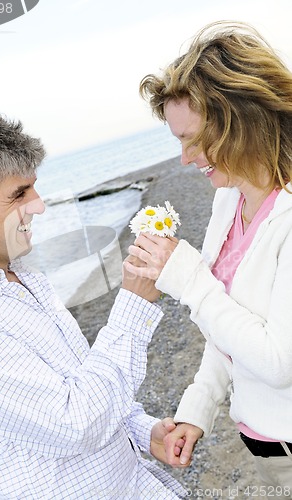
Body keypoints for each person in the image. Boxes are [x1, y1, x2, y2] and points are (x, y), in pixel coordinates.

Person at [0, 106, 187, 499]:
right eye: (19, 194)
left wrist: (139, 429)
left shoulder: (25, 278)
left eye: (34, 186)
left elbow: (78, 379)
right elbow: (74, 422)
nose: (40, 205)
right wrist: (133, 303)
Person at [125, 21, 292, 493]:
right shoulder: (229, 199)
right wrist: (196, 411)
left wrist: (188, 276)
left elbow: (280, 361)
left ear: (244, 118)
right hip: (264, 447)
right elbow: (228, 332)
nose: (183, 159)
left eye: (193, 139)